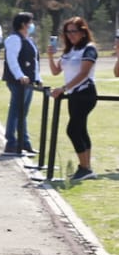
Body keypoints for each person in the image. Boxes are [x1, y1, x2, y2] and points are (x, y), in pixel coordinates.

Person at [48, 16, 99, 181]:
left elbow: (84, 73)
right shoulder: (70, 51)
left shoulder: (89, 49)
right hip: (74, 95)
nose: (70, 35)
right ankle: (87, 168)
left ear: (83, 32)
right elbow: (56, 71)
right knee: (80, 129)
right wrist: (50, 56)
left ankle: (84, 168)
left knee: (72, 130)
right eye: (67, 32)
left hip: (85, 93)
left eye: (74, 31)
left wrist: (63, 88)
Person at [1, 11, 40, 156]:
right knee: (16, 112)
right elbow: (12, 59)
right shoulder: (14, 39)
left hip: (28, 82)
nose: (32, 25)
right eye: (30, 22)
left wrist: (37, 78)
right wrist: (20, 75)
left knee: (23, 113)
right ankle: (11, 142)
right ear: (23, 24)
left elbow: (34, 61)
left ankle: (24, 142)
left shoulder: (28, 39)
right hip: (18, 82)